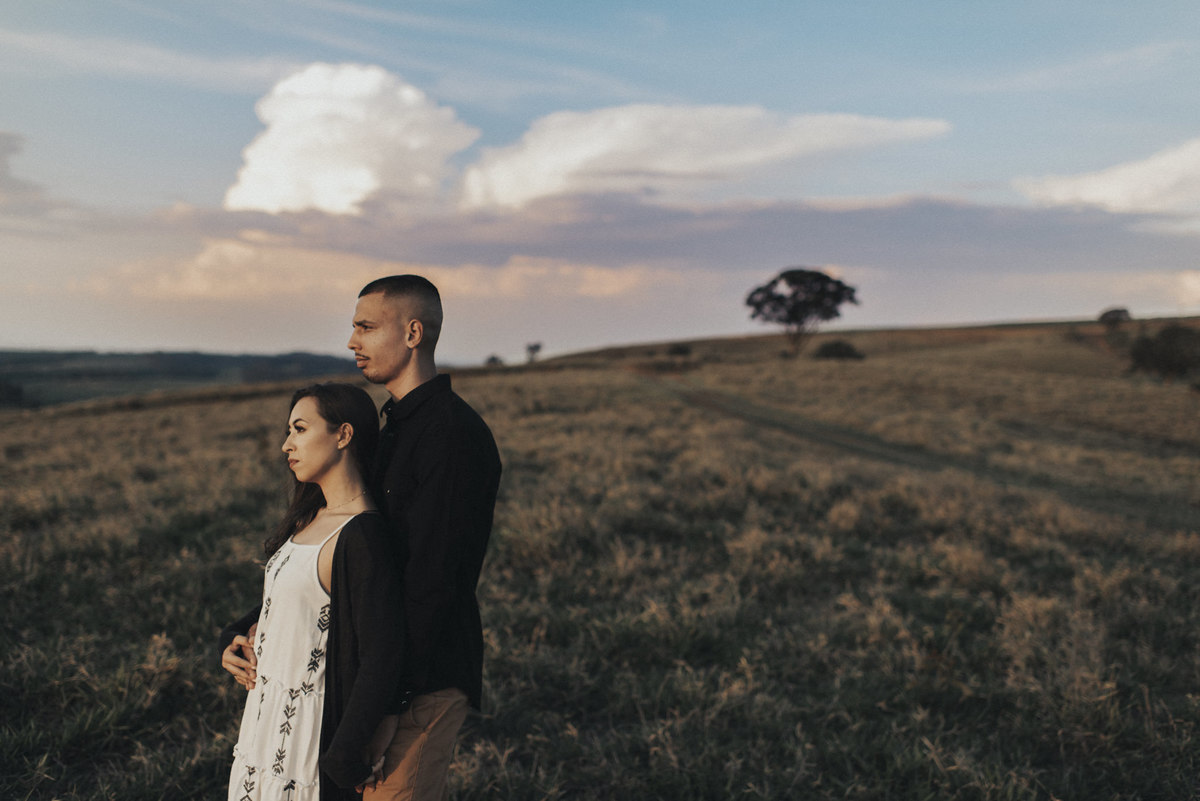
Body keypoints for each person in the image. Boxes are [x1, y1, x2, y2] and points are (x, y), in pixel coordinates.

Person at [347, 275, 502, 800]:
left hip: (422, 681)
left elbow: (432, 581)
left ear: (412, 333)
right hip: (375, 677)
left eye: (366, 327)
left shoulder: (451, 437)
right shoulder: (391, 428)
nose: (352, 342)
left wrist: (391, 705)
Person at [219, 383, 406, 801]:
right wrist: (231, 636)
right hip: (263, 722)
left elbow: (384, 652)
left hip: (305, 737)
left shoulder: (362, 534)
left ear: (343, 434)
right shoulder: (310, 515)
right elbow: (284, 599)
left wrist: (342, 756)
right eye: (289, 431)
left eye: (300, 429)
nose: (287, 444)